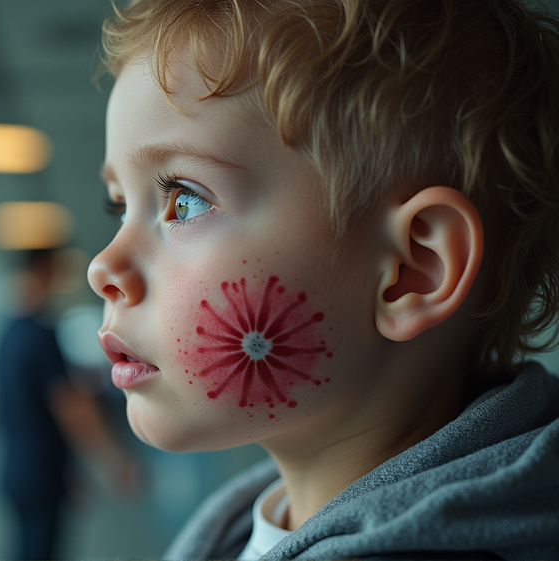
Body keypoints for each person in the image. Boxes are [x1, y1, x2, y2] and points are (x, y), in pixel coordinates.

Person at [88, 0, 559, 558]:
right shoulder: (247, 527)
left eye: (185, 202)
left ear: (412, 269)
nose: (102, 268)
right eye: (119, 204)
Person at [0, 249, 136, 560]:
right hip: (41, 474)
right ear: (42, 270)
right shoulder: (40, 335)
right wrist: (111, 458)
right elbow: (69, 404)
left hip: (14, 470)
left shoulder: (4, 334)